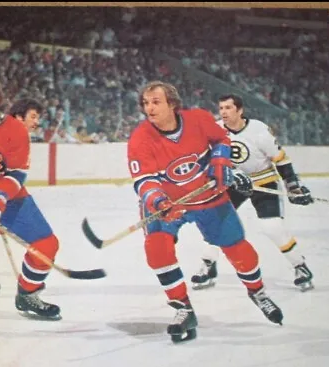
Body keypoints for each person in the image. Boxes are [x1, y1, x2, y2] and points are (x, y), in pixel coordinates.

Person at [127, 81, 283, 343]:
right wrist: (158, 202)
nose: (149, 108)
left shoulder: (198, 119)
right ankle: (182, 308)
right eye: (145, 103)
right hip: (169, 205)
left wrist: (221, 161)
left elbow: (221, 139)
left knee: (237, 248)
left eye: (156, 102)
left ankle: (257, 292)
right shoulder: (140, 137)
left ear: (173, 104)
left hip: (208, 197)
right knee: (156, 250)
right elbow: (143, 180)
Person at [191, 94, 314, 292]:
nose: (223, 112)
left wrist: (293, 185)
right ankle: (208, 265)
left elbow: (280, 159)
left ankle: (300, 266)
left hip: (263, 183)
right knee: (216, 223)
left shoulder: (258, 130)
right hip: (233, 184)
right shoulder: (215, 129)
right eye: (221, 108)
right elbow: (207, 158)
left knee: (272, 226)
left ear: (240, 111)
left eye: (228, 108)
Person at [0, 78, 61, 321]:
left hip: (7, 195)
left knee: (47, 245)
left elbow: (16, 175)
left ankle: (27, 293)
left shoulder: (15, 130)